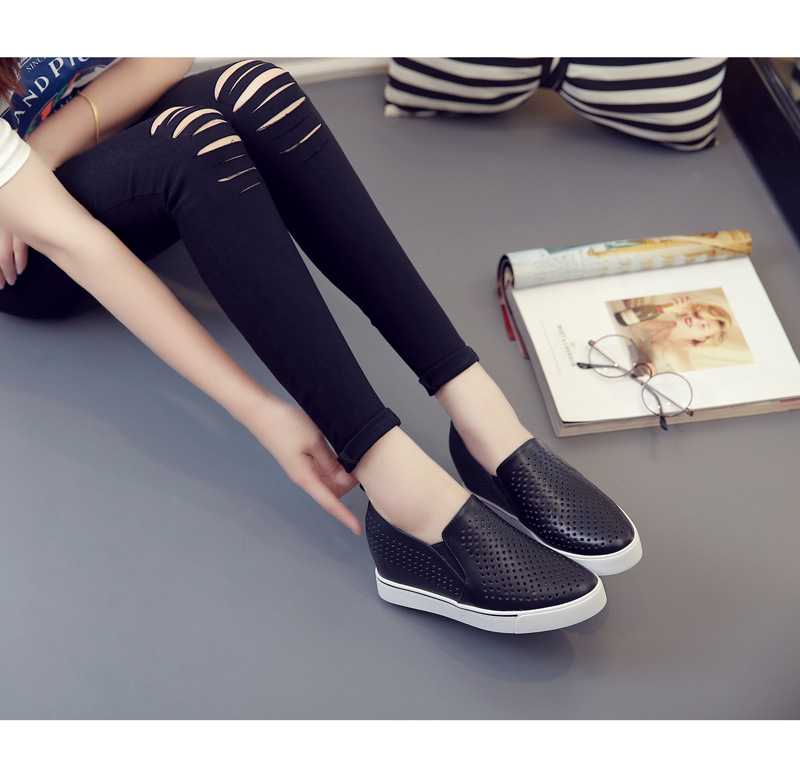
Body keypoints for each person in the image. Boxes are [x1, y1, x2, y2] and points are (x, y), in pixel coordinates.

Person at [1, 58, 641, 634]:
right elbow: (74, 243)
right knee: (190, 148)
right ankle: (399, 494)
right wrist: (261, 411)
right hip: (26, 254)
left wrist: (40, 151)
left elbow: (164, 51)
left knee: (261, 90)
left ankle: (481, 417)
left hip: (60, 151)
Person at [626, 295, 732, 372]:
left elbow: (689, 388)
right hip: (625, 353)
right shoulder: (672, 326)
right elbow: (634, 323)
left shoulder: (679, 355)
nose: (695, 320)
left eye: (703, 326)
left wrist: (653, 380)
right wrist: (667, 309)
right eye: (698, 315)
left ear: (701, 338)